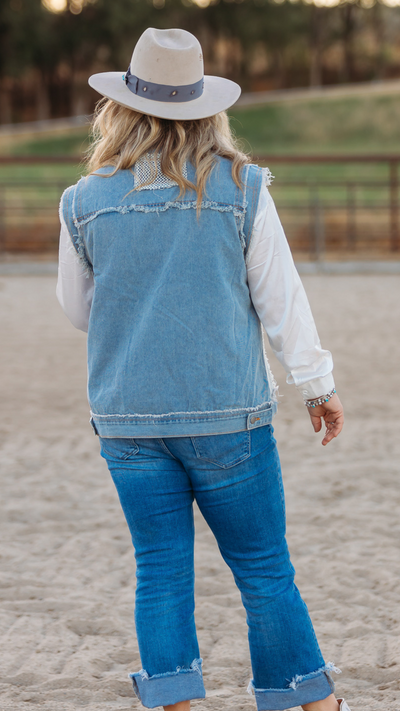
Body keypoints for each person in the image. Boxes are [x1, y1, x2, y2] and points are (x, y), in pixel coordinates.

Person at [57, 27, 348, 711]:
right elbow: (282, 302)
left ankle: (176, 704)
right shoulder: (242, 187)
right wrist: (318, 386)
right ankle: (312, 703)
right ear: (204, 107)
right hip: (227, 416)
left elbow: (79, 312)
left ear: (121, 107)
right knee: (264, 570)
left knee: (160, 571)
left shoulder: (83, 200)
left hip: (127, 417)